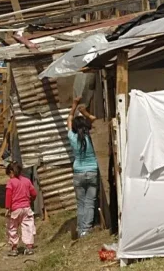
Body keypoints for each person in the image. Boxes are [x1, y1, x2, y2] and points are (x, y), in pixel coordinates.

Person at [67, 96, 98, 238]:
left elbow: (69, 119)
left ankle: (80, 230)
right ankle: (86, 229)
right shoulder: (91, 136)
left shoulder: (72, 138)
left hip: (78, 173)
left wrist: (74, 105)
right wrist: (84, 112)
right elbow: (94, 119)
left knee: (81, 203)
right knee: (90, 202)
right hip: (92, 172)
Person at [5, 161, 37, 257]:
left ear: (11, 172)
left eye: (9, 174)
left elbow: (8, 195)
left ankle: (14, 248)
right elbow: (34, 193)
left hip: (15, 210)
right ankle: (29, 247)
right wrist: (31, 200)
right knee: (28, 227)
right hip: (26, 208)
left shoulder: (11, 182)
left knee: (12, 228)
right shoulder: (27, 181)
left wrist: (7, 207)